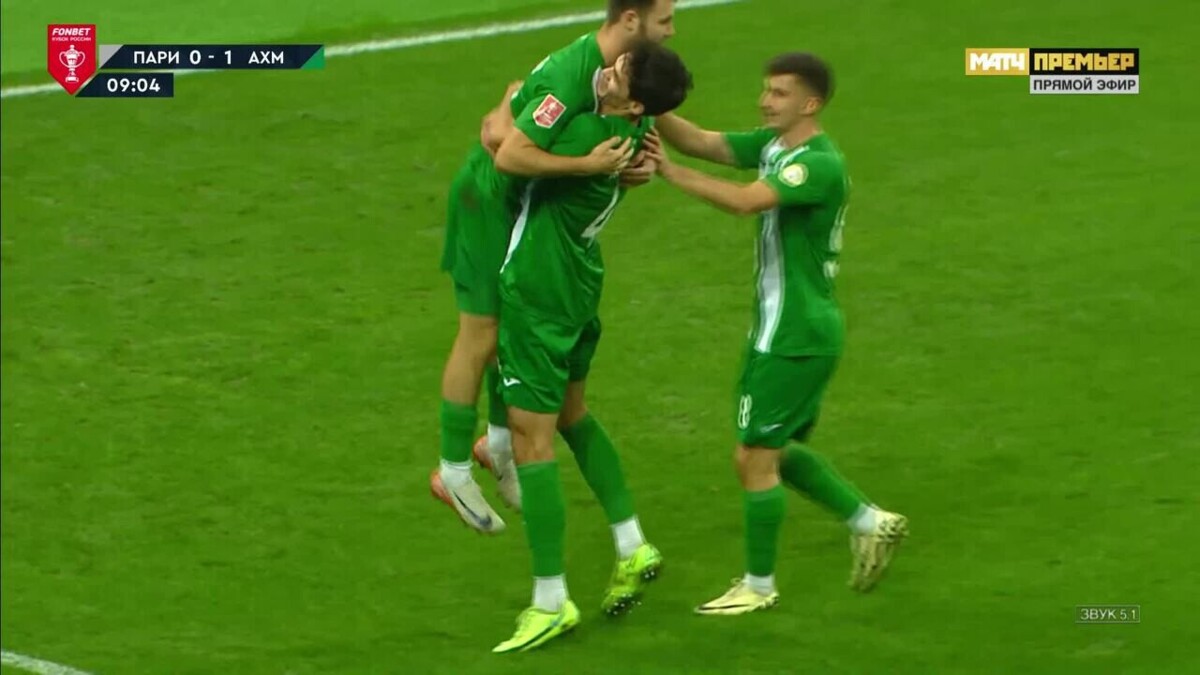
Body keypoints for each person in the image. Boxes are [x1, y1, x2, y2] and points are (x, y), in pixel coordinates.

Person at [645, 52, 908, 615]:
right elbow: (703, 142)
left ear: (811, 104)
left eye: (780, 93)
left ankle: (759, 587)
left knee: (755, 457)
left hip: (797, 332)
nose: (766, 101)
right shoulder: (775, 147)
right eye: (766, 90)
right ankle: (869, 521)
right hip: (782, 328)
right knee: (773, 449)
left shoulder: (817, 164)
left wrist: (669, 172)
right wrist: (653, 105)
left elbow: (746, 202)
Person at [431, 0, 679, 534]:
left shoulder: (619, 79)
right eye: (664, 21)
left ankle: (499, 446)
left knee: (513, 328)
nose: (671, 30)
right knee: (482, 332)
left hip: (523, 202)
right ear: (631, 21)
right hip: (489, 199)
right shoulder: (576, 74)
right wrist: (585, 165)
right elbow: (504, 149)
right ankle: (452, 471)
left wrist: (627, 168)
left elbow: (518, 95)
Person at [490, 43, 693, 652]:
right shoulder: (634, 135)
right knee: (573, 414)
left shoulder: (584, 134)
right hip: (580, 285)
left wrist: (518, 98)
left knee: (532, 441)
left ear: (634, 105)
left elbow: (505, 144)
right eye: (618, 61)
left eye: (621, 75)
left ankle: (550, 601)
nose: (606, 72)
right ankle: (632, 542)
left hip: (540, 292)